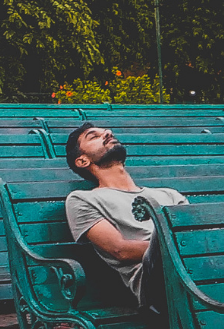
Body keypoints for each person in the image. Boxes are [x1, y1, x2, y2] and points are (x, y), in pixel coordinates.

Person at [64, 122, 188, 315]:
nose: (107, 133)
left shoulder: (169, 195)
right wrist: (185, 247)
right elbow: (120, 250)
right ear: (82, 161)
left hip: (195, 270)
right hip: (157, 286)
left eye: (106, 131)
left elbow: (200, 237)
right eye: (93, 136)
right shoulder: (82, 199)